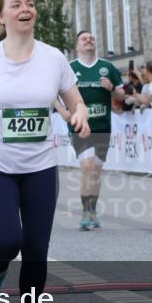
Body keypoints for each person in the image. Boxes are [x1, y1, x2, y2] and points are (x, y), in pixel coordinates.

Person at [0, 0, 90, 303]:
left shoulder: (53, 58)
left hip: (40, 166)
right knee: (9, 239)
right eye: (16, 4)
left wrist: (80, 114)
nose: (26, 8)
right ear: (2, 16)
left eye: (30, 3)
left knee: (37, 249)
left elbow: (75, 101)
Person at [61, 30, 125, 230]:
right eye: (83, 38)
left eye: (91, 38)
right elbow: (52, 93)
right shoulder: (70, 68)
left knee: (96, 170)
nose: (88, 40)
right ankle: (85, 211)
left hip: (103, 126)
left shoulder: (107, 67)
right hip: (80, 126)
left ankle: (93, 210)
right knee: (87, 166)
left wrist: (112, 88)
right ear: (77, 46)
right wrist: (63, 112)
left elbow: (122, 95)